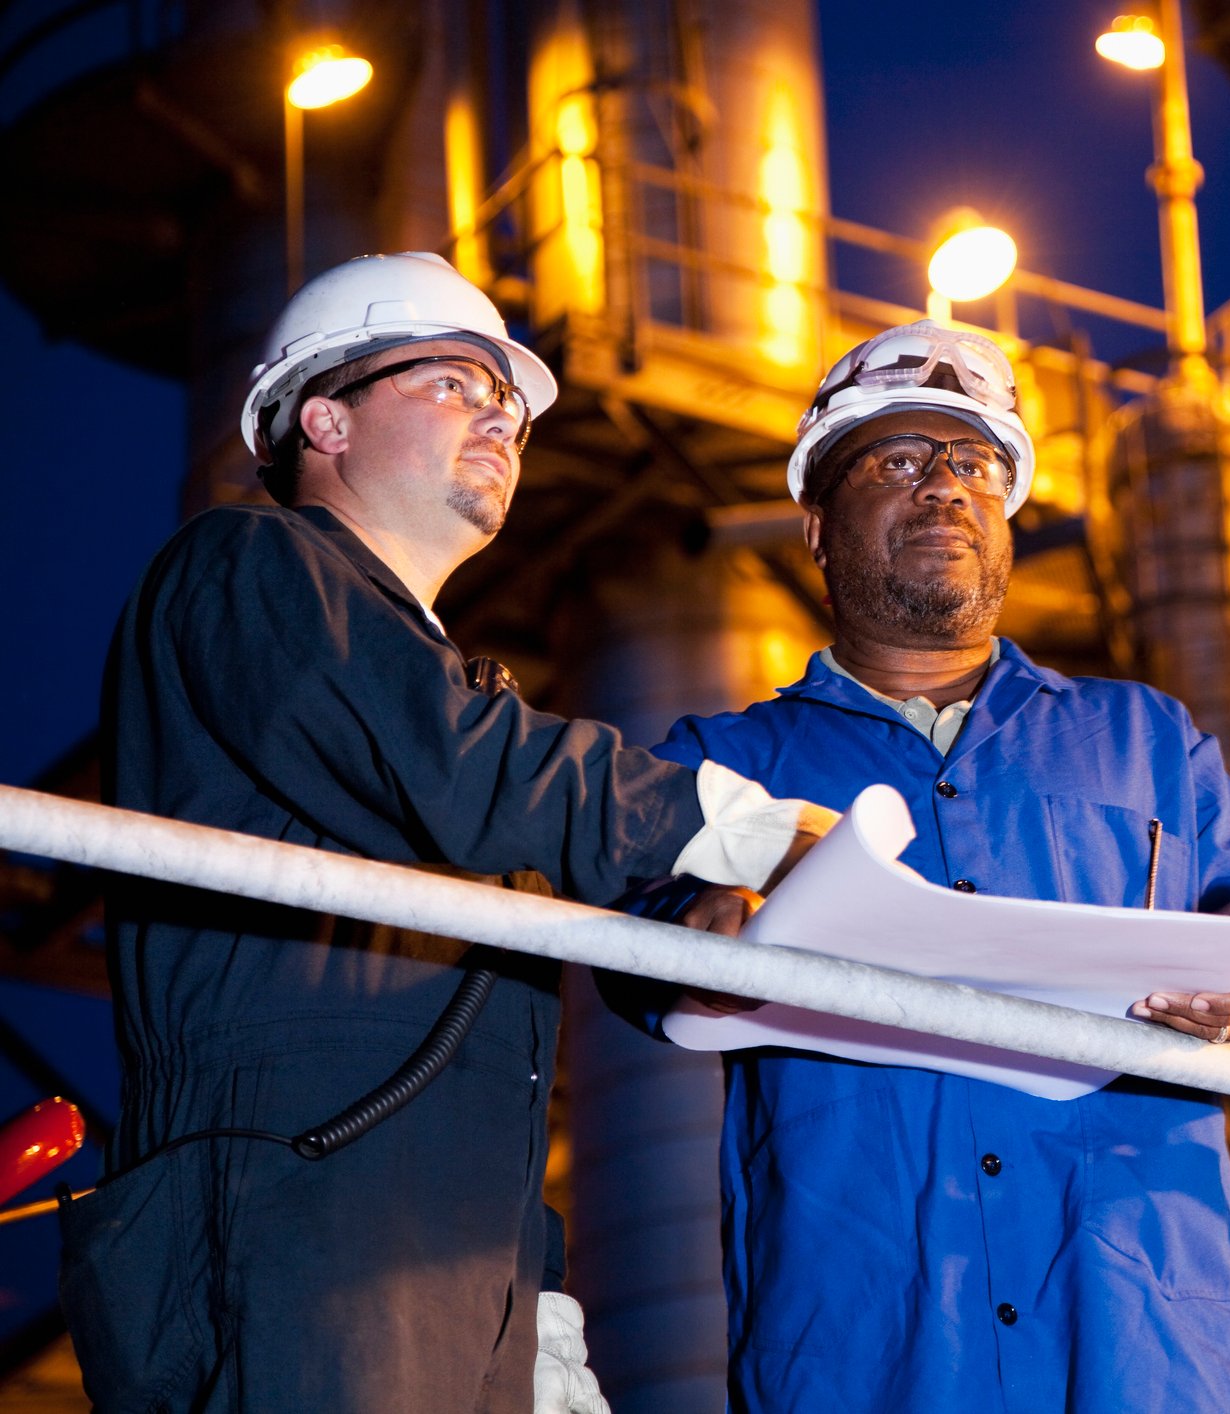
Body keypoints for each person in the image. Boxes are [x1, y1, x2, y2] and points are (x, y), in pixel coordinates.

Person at [60, 252, 831, 1414]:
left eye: (511, 404)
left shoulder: (448, 703)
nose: (502, 419)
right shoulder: (246, 567)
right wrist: (730, 827)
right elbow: (461, 767)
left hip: (444, 1258)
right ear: (324, 415)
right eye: (458, 383)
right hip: (284, 1223)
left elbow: (477, 1029)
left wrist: (535, 1306)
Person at [617, 321, 1230, 1411]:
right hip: (877, 1353)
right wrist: (703, 933)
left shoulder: (1145, 740)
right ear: (816, 523)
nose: (947, 487)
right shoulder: (724, 762)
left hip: (1150, 1350)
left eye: (976, 465)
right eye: (899, 461)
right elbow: (624, 955)